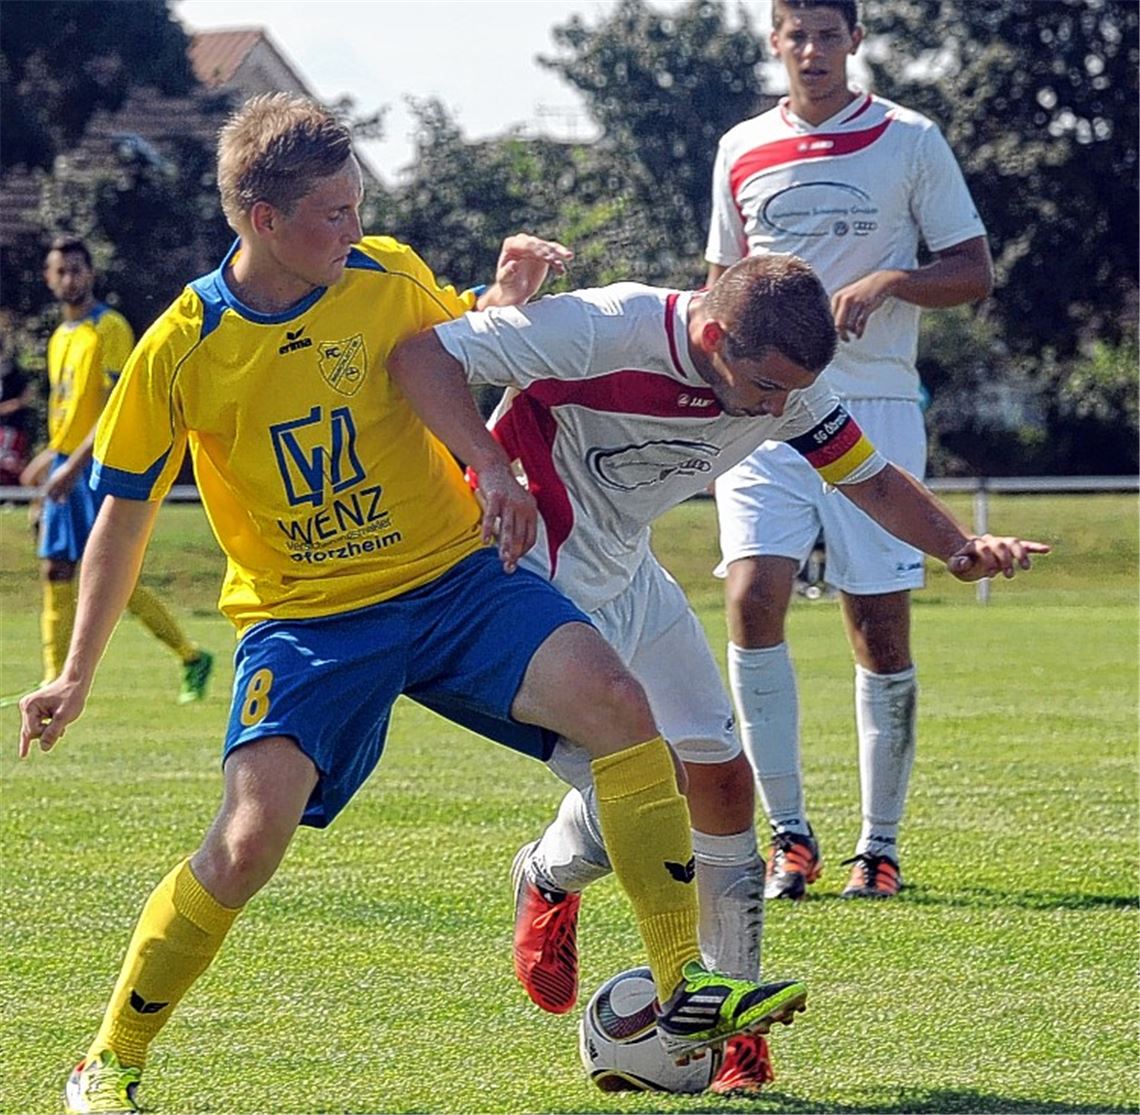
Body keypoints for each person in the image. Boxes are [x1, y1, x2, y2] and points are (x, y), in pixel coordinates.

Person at [17, 94, 808, 1115]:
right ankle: (108, 1061)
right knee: (249, 836)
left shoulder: (384, 272)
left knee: (621, 704)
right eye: (333, 213)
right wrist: (74, 670)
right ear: (263, 219)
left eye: (357, 206)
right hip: (307, 622)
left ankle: (683, 983)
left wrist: (502, 297)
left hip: (454, 582)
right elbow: (118, 518)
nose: (354, 228)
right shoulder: (180, 346)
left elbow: (463, 332)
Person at [391, 256, 1047, 1093]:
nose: (778, 409)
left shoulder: (788, 387)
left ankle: (738, 1034)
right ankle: (552, 874)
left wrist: (960, 546)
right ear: (711, 337)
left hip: (628, 571)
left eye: (792, 391)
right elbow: (421, 358)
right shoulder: (605, 327)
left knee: (725, 777)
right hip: (533, 576)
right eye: (766, 386)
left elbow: (871, 478)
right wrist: (487, 467)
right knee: (653, 782)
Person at [705, 0, 997, 900]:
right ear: (775, 42)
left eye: (828, 34)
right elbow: (718, 286)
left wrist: (893, 279)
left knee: (877, 623)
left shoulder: (910, 138)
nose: (812, 51)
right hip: (763, 407)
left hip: (872, 402)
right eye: (796, 34)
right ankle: (788, 835)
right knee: (754, 597)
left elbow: (974, 269)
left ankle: (880, 847)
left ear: (854, 41)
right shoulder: (740, 145)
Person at [25, 236, 213, 702]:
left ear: (91, 274)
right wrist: (49, 462)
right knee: (56, 571)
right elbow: (67, 414)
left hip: (93, 470)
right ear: (50, 279)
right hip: (66, 465)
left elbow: (112, 412)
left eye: (77, 269)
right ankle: (53, 675)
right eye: (61, 270)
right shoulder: (60, 338)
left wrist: (71, 470)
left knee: (108, 578)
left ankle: (190, 654)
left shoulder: (109, 328)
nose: (70, 278)